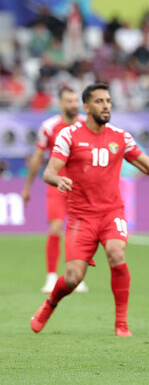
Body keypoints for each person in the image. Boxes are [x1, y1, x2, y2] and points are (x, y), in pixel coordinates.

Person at [30, 83, 149, 336]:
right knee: (73, 278)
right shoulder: (69, 135)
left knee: (116, 252)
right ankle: (50, 304)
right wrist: (57, 179)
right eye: (99, 101)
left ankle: (121, 323)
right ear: (86, 107)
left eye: (108, 101)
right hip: (81, 218)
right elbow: (50, 170)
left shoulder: (120, 136)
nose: (106, 106)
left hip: (111, 213)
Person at [21, 87, 89, 294]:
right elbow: (38, 157)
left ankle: (77, 275)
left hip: (82, 186)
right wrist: (27, 186)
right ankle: (51, 277)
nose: (73, 104)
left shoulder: (86, 124)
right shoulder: (49, 126)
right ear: (60, 104)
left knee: (81, 231)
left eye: (75, 100)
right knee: (56, 228)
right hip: (57, 184)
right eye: (68, 101)